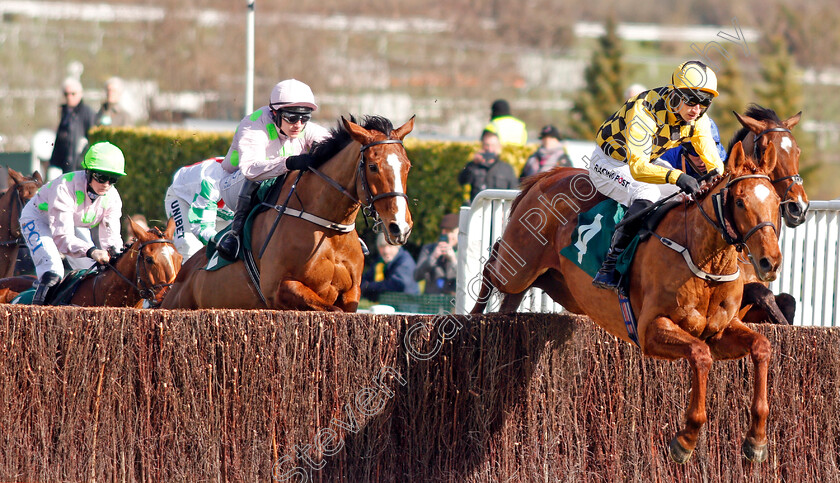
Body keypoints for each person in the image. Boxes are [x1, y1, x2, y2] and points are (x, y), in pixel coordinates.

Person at [589, 60, 725, 293]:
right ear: (675, 94)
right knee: (647, 192)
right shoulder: (644, 110)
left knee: (685, 198)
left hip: (648, 160)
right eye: (691, 100)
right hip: (610, 163)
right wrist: (677, 176)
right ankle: (609, 266)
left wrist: (721, 179)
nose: (697, 109)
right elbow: (638, 169)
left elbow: (715, 165)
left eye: (705, 103)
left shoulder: (698, 119)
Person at [216, 79, 330, 260]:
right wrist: (290, 162)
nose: (298, 124)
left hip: (277, 183)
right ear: (275, 113)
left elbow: (334, 146)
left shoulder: (302, 127)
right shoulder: (253, 124)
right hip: (234, 186)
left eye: (305, 118)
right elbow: (251, 169)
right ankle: (235, 235)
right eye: (291, 118)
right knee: (256, 178)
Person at [20, 141, 126, 305]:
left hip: (71, 223)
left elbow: (111, 239)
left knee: (94, 270)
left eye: (113, 179)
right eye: (102, 177)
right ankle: (37, 316)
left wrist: (118, 255)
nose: (106, 185)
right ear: (88, 173)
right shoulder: (65, 187)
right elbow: (62, 238)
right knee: (53, 271)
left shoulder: (112, 198)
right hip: (38, 219)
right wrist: (92, 251)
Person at [164, 157, 234, 258]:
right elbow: (202, 228)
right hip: (183, 199)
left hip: (218, 211)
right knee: (190, 250)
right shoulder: (212, 180)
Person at [48, 78, 96, 179]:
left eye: (73, 93)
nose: (69, 97)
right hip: (65, 167)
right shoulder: (65, 113)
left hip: (81, 167)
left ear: (80, 94)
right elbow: (59, 140)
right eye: (66, 94)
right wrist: (53, 164)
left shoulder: (87, 112)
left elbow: (92, 139)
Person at [458, 131, 518, 204]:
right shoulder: (474, 166)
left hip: (499, 212)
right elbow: (461, 180)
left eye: (493, 145)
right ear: (482, 146)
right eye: (487, 145)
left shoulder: (506, 168)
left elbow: (514, 193)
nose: (489, 149)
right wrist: (472, 164)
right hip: (477, 210)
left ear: (499, 147)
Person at [659, 117, 728, 179]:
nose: (702, 160)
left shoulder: (722, 158)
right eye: (695, 151)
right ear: (685, 148)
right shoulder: (667, 158)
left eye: (708, 152)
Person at [361, 233, 419, 301]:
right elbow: (365, 279)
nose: (386, 251)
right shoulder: (380, 262)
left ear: (398, 246)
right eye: (382, 246)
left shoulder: (405, 261)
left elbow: (397, 284)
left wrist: (368, 287)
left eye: (390, 246)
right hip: (390, 304)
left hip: (406, 306)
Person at [414, 213, 459, 295]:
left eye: (452, 232)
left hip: (452, 304)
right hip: (431, 303)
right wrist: (432, 258)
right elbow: (416, 276)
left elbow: (466, 279)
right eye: (446, 232)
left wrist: (453, 260)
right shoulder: (429, 249)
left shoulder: (464, 251)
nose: (449, 236)